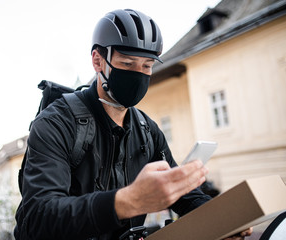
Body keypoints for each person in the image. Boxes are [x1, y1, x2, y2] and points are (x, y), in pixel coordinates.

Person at [14, 9, 252, 240]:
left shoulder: (147, 129)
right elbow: (38, 217)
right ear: (98, 61)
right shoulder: (56, 123)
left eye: (146, 66)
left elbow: (182, 193)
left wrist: (224, 218)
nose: (138, 74)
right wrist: (127, 201)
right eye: (127, 64)